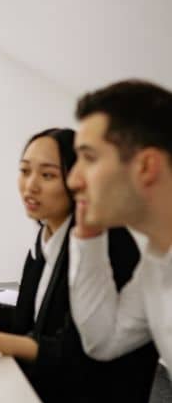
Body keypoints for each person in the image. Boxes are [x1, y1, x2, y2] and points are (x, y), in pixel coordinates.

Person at [0, 128, 157, 403]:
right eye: (24, 171)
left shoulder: (100, 243)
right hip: (48, 390)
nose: (30, 186)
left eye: (47, 175)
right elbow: (29, 320)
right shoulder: (47, 233)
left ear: (76, 179)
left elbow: (68, 352)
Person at [67, 80, 172, 375]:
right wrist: (88, 237)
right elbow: (104, 341)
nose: (74, 180)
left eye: (89, 158)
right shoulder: (156, 260)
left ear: (145, 166)